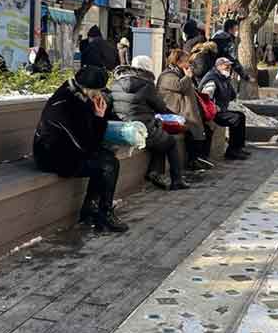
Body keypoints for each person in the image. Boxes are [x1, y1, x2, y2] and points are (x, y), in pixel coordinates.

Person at [33, 65, 128, 233]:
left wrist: (102, 116)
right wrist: (99, 118)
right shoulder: (64, 104)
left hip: (68, 150)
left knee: (106, 159)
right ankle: (104, 214)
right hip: (52, 157)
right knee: (108, 164)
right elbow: (86, 144)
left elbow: (88, 136)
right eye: (97, 90)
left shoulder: (78, 96)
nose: (99, 94)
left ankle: (90, 209)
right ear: (86, 88)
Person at [112, 55, 190, 191]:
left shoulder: (117, 82)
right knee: (170, 142)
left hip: (123, 126)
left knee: (160, 136)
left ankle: (155, 172)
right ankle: (176, 180)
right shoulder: (146, 84)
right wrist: (175, 116)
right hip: (142, 127)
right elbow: (160, 107)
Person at [157, 49, 214, 171]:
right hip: (175, 111)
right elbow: (179, 86)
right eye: (186, 61)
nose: (188, 64)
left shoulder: (181, 73)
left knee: (206, 127)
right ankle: (193, 160)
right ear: (177, 62)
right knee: (192, 129)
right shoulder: (167, 75)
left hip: (185, 109)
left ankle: (200, 157)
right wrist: (188, 77)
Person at [200, 57, 250, 161]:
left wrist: (230, 82)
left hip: (221, 110)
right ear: (218, 67)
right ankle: (232, 151)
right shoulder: (212, 78)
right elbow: (206, 96)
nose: (229, 68)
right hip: (212, 112)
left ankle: (238, 148)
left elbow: (232, 96)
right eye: (226, 66)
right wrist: (214, 107)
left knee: (240, 116)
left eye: (230, 66)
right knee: (235, 118)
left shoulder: (223, 78)